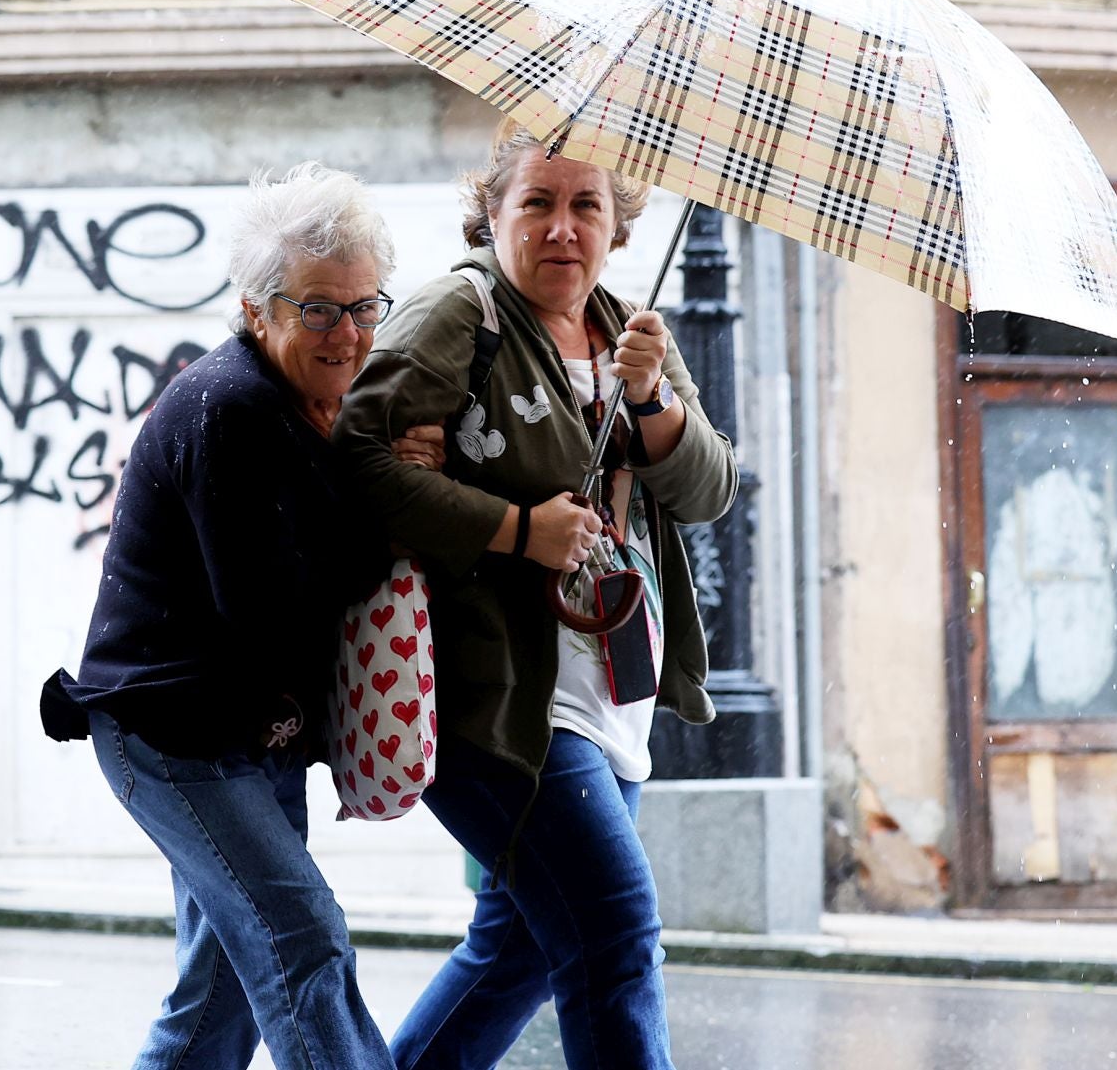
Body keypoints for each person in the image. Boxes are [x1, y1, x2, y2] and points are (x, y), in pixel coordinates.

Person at [334, 121, 739, 1070]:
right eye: (540, 203)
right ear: (496, 213)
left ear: (618, 223)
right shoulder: (458, 312)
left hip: (611, 699)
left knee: (515, 950)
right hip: (501, 703)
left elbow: (711, 489)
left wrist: (653, 406)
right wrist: (519, 529)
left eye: (586, 204)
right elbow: (356, 457)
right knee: (615, 937)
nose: (563, 228)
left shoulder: (628, 328)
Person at [40, 162, 443, 1070]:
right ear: (258, 310)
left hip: (249, 733)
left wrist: (378, 466)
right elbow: (271, 609)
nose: (349, 333)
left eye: (365, 306)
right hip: (173, 734)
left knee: (220, 997)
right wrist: (395, 499)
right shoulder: (233, 410)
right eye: (319, 309)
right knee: (305, 940)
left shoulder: (312, 409)